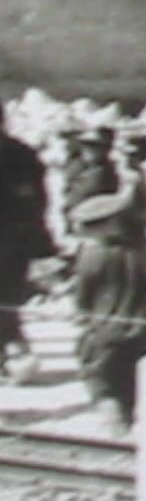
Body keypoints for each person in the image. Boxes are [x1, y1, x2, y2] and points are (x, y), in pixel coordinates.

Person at [71, 192, 146, 433]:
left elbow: (82, 298)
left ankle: (112, 423)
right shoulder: (138, 252)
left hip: (105, 328)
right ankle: (128, 423)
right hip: (140, 327)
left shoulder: (92, 256)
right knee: (129, 380)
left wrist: (81, 314)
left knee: (97, 376)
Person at [0, 100, 54, 382]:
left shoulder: (19, 154)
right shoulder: (24, 153)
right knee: (8, 299)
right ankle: (14, 354)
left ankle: (13, 354)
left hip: (10, 238)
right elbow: (37, 201)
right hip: (17, 238)